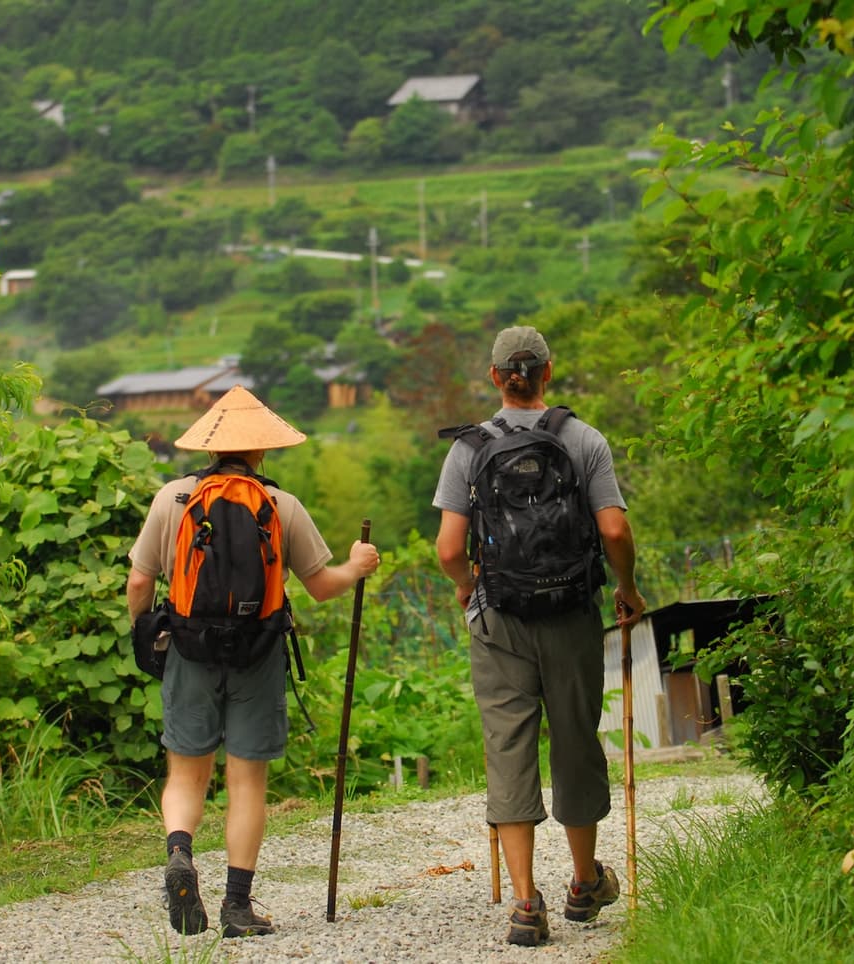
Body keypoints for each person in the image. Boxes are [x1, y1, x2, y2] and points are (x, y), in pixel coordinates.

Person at [126, 386, 380, 938]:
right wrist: (358, 566)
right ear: (262, 450)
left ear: (209, 448)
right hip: (258, 651)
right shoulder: (281, 505)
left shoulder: (172, 499)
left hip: (189, 649)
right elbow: (320, 586)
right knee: (246, 782)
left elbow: (140, 580)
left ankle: (179, 853)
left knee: (186, 773)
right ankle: (237, 907)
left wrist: (145, 631)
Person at [432, 326, 646, 946]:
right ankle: (584, 881)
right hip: (572, 615)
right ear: (547, 373)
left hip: (500, 620)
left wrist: (467, 587)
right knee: (576, 739)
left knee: (509, 745)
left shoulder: (469, 448)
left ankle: (527, 902)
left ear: (495, 377)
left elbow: (448, 549)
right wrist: (626, 588)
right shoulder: (584, 440)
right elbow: (613, 533)